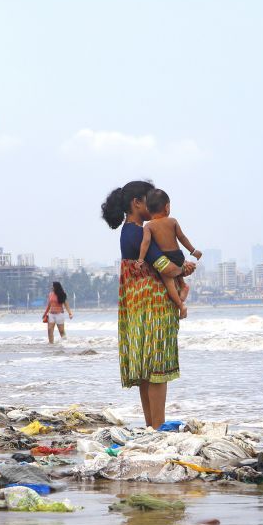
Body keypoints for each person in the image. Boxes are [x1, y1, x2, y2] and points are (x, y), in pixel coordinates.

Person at [102, 180, 193, 429]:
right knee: (158, 370)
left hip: (136, 307)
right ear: (137, 203)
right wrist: (185, 268)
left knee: (146, 372)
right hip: (153, 306)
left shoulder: (127, 232)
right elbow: (165, 266)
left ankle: (152, 428)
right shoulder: (139, 232)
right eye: (148, 197)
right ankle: (159, 428)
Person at [137, 188, 201, 317]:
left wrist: (140, 259)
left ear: (148, 210)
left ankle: (180, 305)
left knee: (169, 282)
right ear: (167, 207)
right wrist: (193, 251)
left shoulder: (149, 226)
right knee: (179, 271)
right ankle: (183, 285)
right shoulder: (173, 221)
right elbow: (182, 238)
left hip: (166, 257)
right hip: (178, 255)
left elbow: (146, 242)